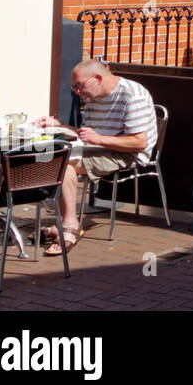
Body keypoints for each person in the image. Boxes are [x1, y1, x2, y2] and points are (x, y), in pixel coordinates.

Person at [35, 59, 159, 256]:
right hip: (99, 147)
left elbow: (139, 143)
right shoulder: (93, 97)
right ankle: (67, 222)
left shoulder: (132, 95)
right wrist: (59, 125)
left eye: (79, 86)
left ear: (98, 78)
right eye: (74, 87)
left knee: (65, 164)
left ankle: (69, 226)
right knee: (59, 157)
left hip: (128, 154)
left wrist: (98, 138)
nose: (77, 91)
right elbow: (86, 136)